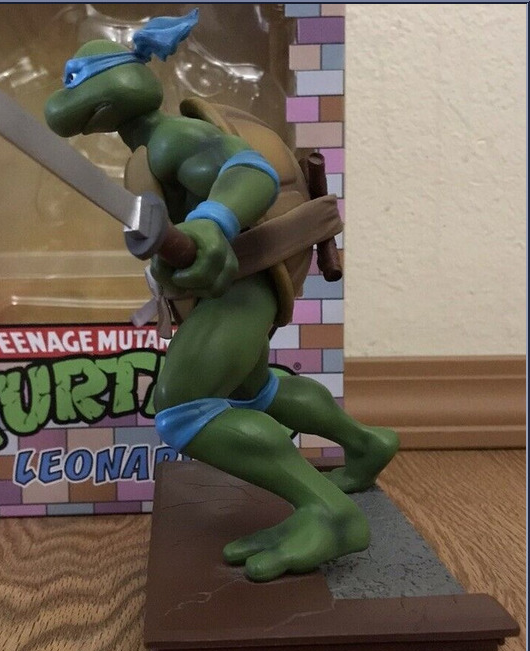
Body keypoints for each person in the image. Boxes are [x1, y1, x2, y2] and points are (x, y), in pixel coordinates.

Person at [46, 10, 399, 581]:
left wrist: (212, 222)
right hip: (236, 288)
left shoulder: (173, 138)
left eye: (77, 81)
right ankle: (365, 444)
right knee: (252, 390)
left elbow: (249, 170)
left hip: (244, 287)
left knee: (183, 408)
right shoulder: (151, 151)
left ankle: (329, 514)